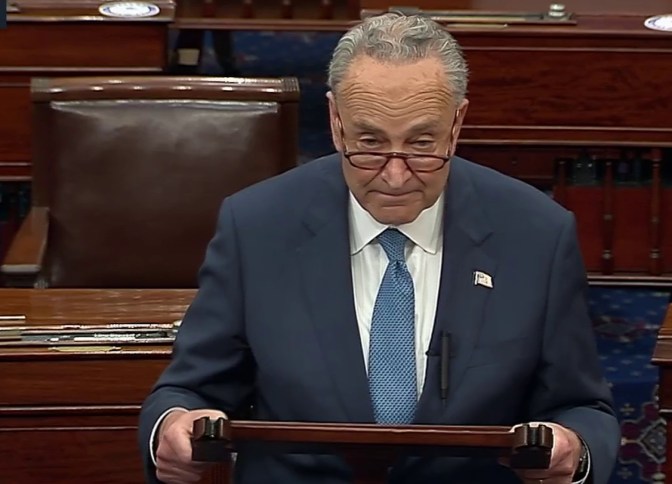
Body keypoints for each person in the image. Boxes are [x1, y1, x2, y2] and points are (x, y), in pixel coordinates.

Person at [138, 12, 620, 484]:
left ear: (456, 124)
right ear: (335, 122)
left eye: (421, 144)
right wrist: (172, 428)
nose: (394, 176)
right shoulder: (257, 225)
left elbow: (581, 407)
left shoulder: (536, 234)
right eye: (369, 143)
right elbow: (190, 389)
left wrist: (574, 450)